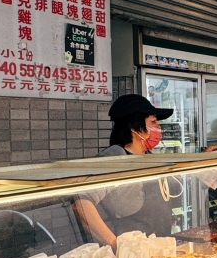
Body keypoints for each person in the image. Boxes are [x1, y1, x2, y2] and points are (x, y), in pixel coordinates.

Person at [73, 94, 179, 247]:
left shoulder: (150, 158)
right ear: (134, 127)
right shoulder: (116, 157)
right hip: (131, 254)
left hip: (159, 250)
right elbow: (81, 202)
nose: (158, 127)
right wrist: (115, 244)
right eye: (153, 122)